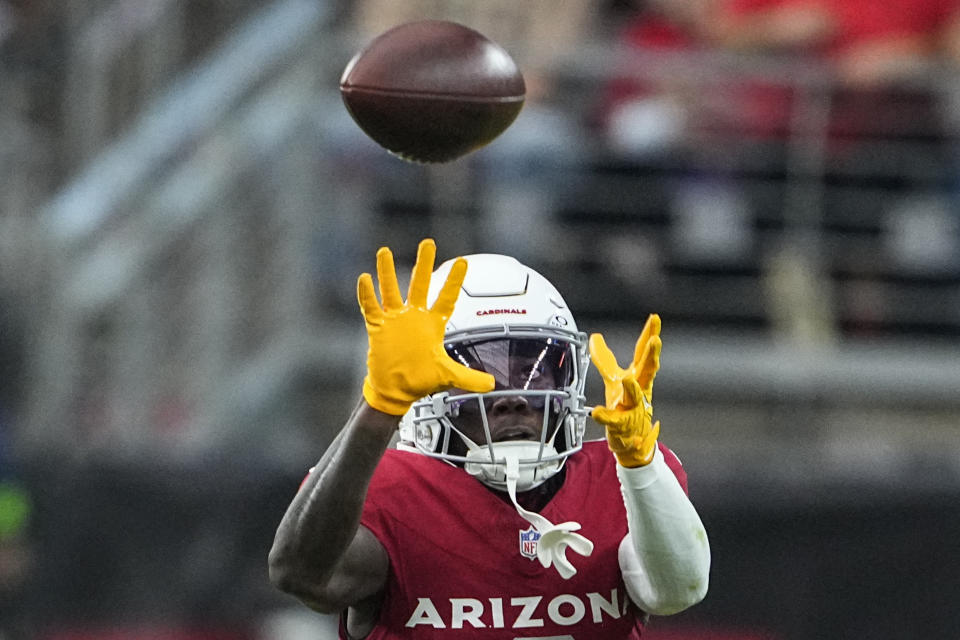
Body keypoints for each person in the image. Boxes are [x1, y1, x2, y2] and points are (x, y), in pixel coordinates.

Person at [269, 238, 710, 639]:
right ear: (426, 391)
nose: (511, 397)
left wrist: (640, 464)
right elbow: (301, 574)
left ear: (568, 380)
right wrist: (379, 407)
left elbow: (675, 591)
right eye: (474, 375)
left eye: (533, 371)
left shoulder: (621, 480)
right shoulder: (394, 491)